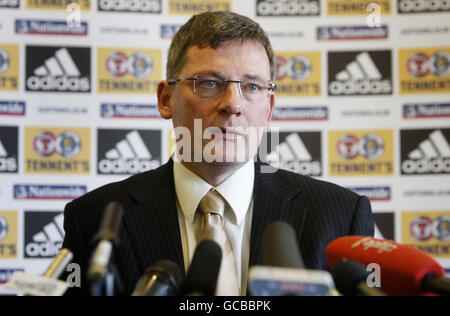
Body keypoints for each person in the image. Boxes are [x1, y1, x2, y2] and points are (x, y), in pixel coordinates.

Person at [62, 11, 374, 296]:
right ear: (166, 99)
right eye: (209, 83)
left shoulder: (341, 216)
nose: (233, 104)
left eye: (251, 87)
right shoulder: (93, 218)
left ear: (269, 109)